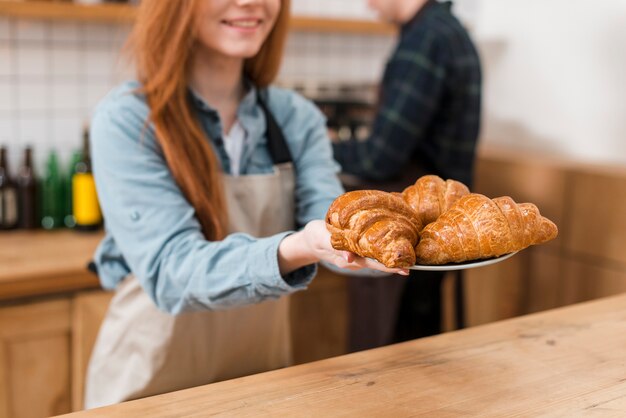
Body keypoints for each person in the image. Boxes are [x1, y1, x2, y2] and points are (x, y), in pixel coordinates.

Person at [84, 0, 407, 409]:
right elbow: (171, 271)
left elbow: (331, 223)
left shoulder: (296, 118)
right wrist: (297, 248)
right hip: (149, 389)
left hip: (258, 385)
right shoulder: (129, 119)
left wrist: (382, 245)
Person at [332, 0, 482, 347]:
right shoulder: (446, 31)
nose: (366, 4)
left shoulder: (425, 41)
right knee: (418, 346)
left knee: (391, 354)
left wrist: (314, 147)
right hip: (441, 225)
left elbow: (378, 158)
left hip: (415, 227)